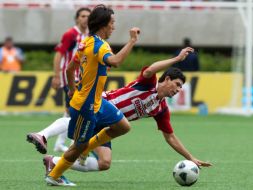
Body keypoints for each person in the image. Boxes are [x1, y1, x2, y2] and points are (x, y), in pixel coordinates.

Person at [27, 47, 211, 182]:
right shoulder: (148, 83)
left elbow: (170, 137)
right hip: (102, 104)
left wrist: (190, 158)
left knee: (104, 163)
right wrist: (177, 59)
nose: (178, 90)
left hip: (109, 126)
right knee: (78, 128)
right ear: (167, 79)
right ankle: (43, 134)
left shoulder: (160, 108)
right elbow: (151, 69)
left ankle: (54, 161)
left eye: (181, 87)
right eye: (177, 84)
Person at [44, 4, 140, 186]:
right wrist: (132, 41)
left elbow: (70, 69)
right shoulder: (99, 46)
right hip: (86, 107)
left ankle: (87, 148)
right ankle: (54, 175)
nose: (114, 26)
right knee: (78, 146)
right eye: (112, 22)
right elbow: (116, 61)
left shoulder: (86, 42)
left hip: (98, 101)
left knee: (123, 127)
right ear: (104, 24)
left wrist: (72, 90)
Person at [52, 7, 91, 153]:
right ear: (77, 19)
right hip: (69, 77)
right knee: (75, 109)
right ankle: (70, 143)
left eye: (88, 16)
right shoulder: (71, 34)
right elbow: (59, 55)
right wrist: (56, 75)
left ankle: (61, 143)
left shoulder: (89, 35)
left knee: (70, 110)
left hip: (82, 78)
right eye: (82, 16)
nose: (85, 18)